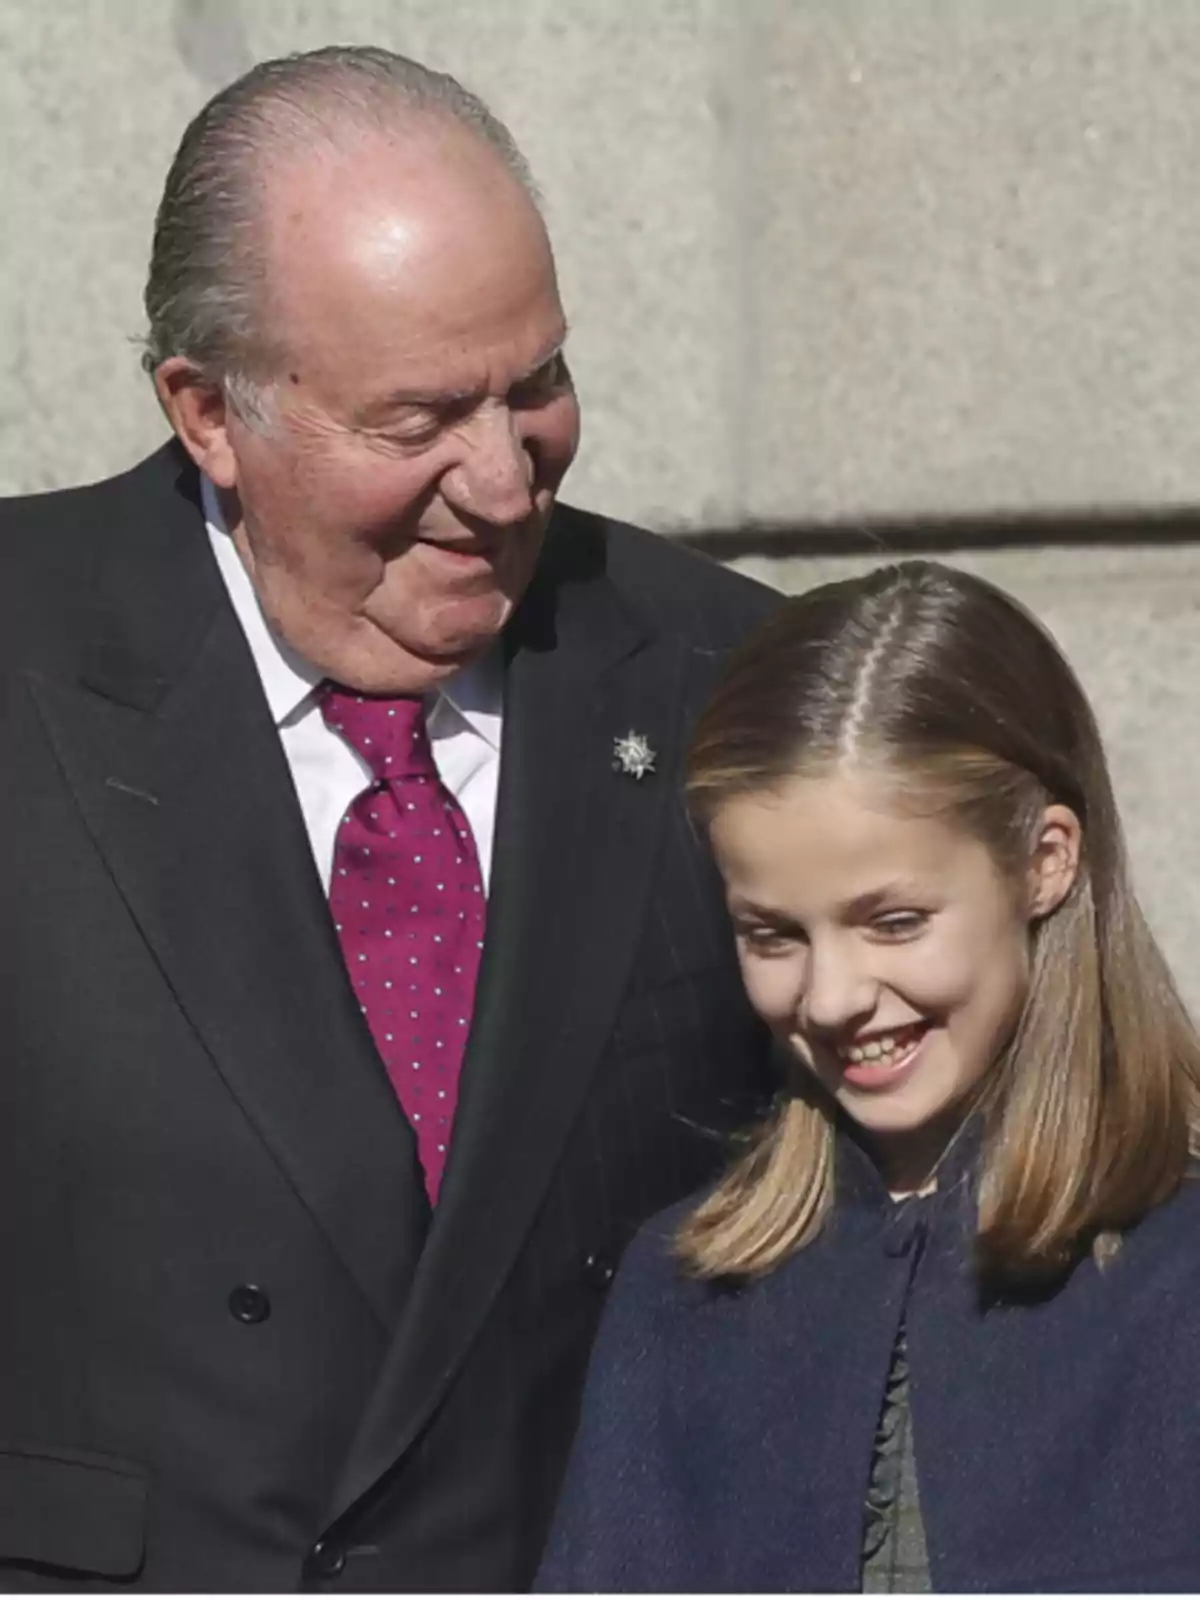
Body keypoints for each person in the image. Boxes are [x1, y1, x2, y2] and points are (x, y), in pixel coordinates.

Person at [0, 46, 779, 1591]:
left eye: (537, 384)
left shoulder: (730, 680)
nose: (501, 482)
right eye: (418, 417)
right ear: (209, 413)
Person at [538, 558, 1200, 1594]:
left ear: (1046, 860)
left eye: (895, 921)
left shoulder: (1175, 1261)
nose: (836, 995)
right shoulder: (687, 1288)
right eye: (773, 934)